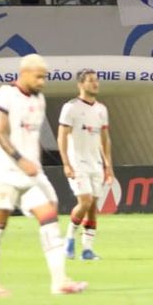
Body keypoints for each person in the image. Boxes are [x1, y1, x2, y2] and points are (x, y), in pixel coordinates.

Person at [0, 54, 87, 297]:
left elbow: (32, 136)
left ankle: (59, 281)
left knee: (49, 219)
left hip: (30, 175)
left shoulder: (39, 99)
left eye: (44, 77)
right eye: (38, 76)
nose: (42, 82)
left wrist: (36, 163)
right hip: (4, 173)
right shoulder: (4, 95)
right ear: (24, 72)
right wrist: (20, 159)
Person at [58, 69, 113, 261]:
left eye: (96, 80)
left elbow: (105, 140)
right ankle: (69, 239)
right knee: (85, 201)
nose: (95, 84)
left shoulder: (101, 109)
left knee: (92, 207)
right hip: (77, 162)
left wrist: (108, 166)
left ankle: (87, 250)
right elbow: (62, 136)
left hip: (95, 164)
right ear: (80, 84)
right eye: (91, 81)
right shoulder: (70, 108)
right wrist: (66, 163)